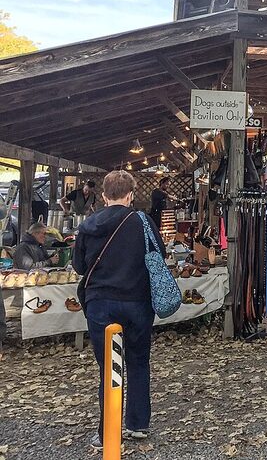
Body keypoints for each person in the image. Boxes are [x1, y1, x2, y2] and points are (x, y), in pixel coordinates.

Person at [72, 170, 164, 450]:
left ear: (103, 195)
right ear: (131, 194)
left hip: (100, 302)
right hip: (137, 300)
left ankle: (106, 433)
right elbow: (158, 257)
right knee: (138, 361)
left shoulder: (89, 224)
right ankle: (137, 423)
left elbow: (78, 266)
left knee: (108, 368)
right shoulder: (142, 221)